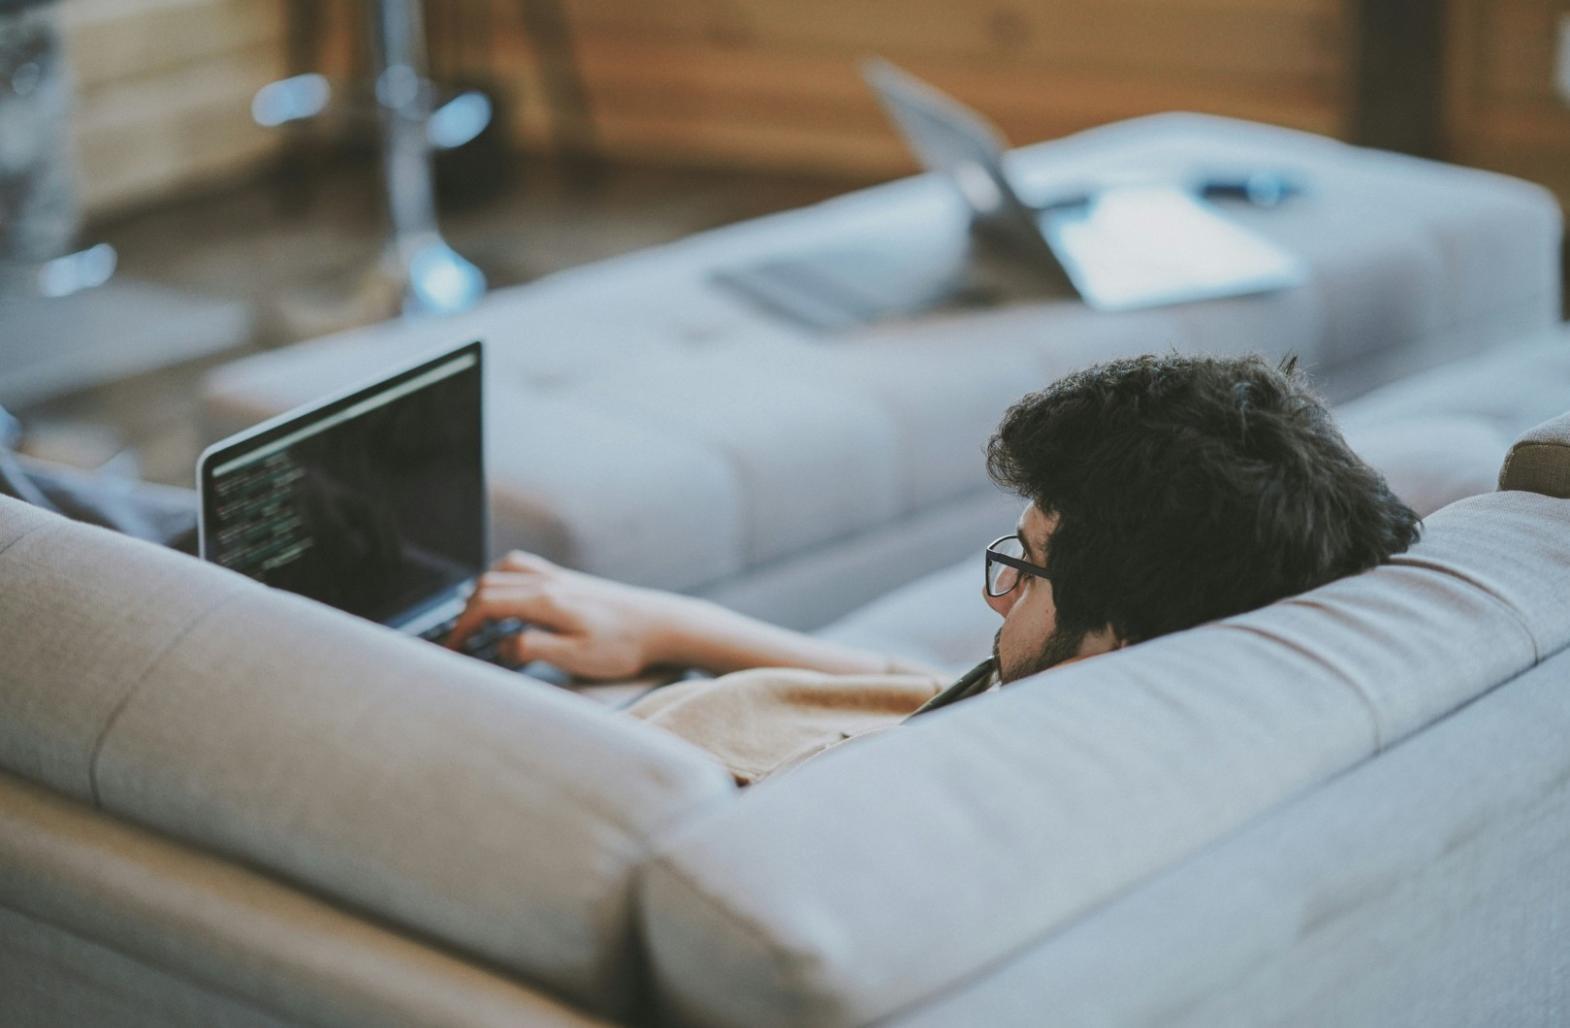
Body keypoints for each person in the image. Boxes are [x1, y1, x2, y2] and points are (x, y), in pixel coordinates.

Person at [447, 353, 1421, 783]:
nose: (1001, 599)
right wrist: (666, 621)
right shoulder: (1186, 666)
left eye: (1027, 569)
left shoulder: (878, 818)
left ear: (1115, 640)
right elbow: (923, 685)